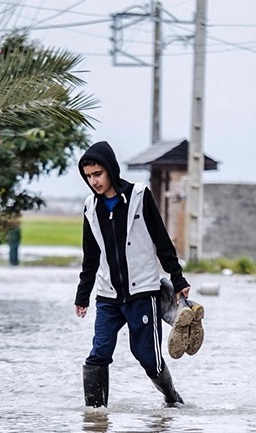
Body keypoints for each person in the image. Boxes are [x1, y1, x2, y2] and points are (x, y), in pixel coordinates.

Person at [74, 141, 190, 408]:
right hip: (108, 296)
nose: (93, 181)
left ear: (111, 170)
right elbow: (90, 256)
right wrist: (83, 295)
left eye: (98, 174)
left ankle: (171, 398)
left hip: (142, 294)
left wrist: (178, 279)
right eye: (88, 176)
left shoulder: (139, 196)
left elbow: (162, 241)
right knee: (98, 354)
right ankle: (95, 417)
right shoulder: (90, 207)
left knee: (148, 358)